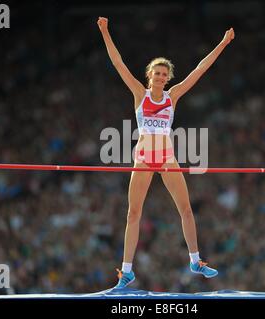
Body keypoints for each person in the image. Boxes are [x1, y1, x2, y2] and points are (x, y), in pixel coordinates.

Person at [97, 16, 235, 289]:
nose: (160, 77)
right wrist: (105, 31)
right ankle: (126, 272)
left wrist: (223, 42)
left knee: (185, 208)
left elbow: (200, 69)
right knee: (133, 213)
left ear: (167, 78)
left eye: (164, 74)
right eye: (156, 73)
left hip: (167, 158)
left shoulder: (173, 96)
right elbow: (118, 63)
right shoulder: (140, 93)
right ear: (150, 75)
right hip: (144, 158)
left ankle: (195, 260)